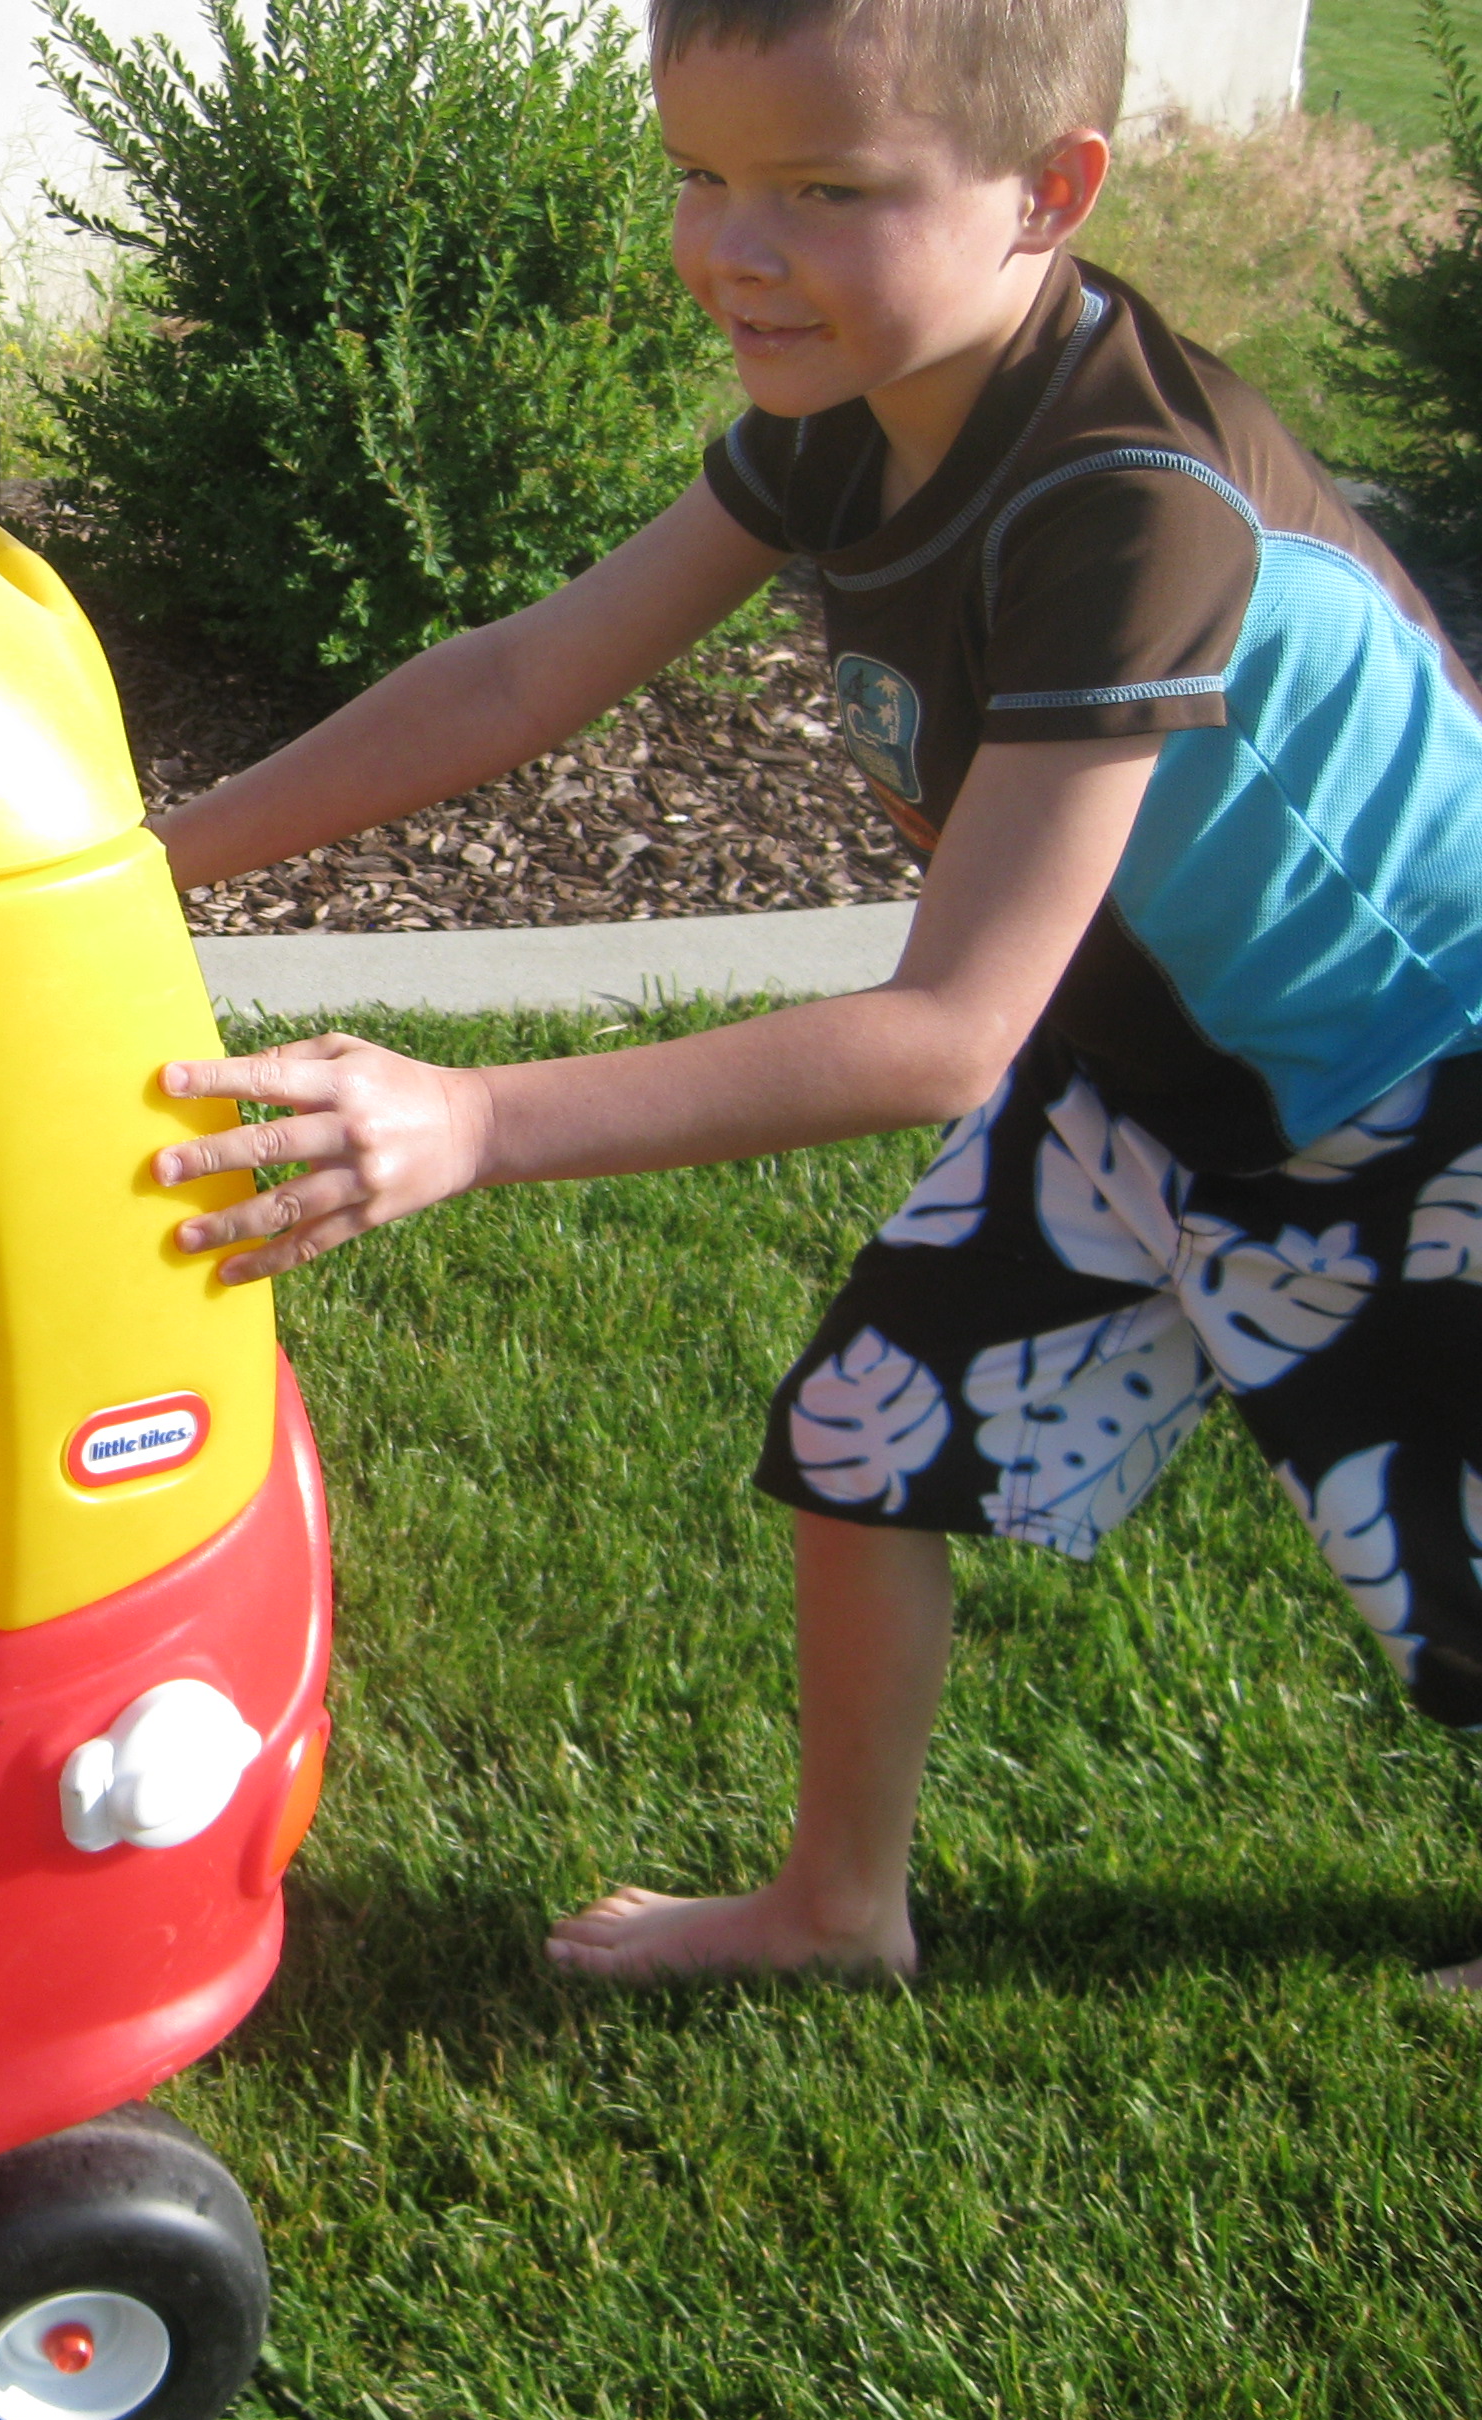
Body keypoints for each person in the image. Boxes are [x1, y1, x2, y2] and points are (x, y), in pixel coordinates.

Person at [146, 0, 1482, 1985]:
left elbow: (947, 1033)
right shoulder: (848, 414)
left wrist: (480, 1118)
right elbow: (528, 674)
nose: (733, 249)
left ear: (1055, 193)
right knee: (869, 1439)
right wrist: (152, 858)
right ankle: (836, 1908)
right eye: (706, 175)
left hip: (1406, 1091)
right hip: (1144, 1065)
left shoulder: (1128, 506)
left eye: (829, 192)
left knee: (1451, 1568)